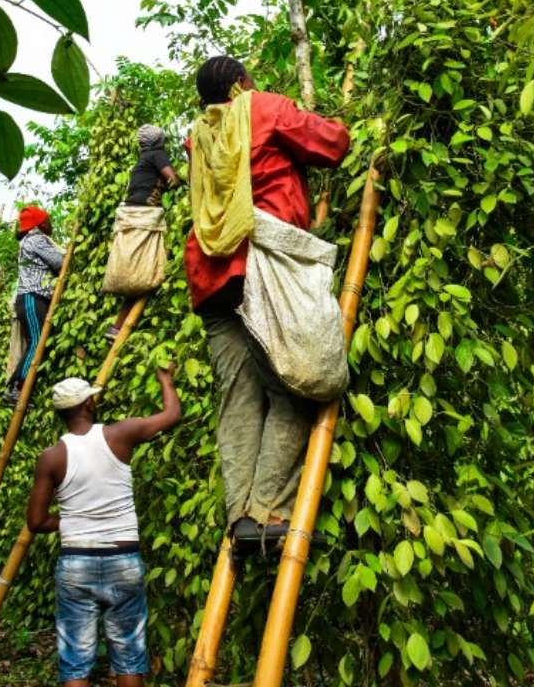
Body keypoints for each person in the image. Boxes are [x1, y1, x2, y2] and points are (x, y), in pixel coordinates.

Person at [184, 56, 350, 546]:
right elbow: (332, 143)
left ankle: (241, 518)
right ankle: (271, 513)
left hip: (210, 278)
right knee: (296, 389)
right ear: (239, 84)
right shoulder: (262, 109)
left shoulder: (199, 137)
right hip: (261, 266)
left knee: (237, 397)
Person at [25, 368, 182, 687]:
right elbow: (171, 415)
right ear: (88, 405)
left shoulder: (51, 458)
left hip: (76, 563)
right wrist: (166, 380)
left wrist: (72, 521)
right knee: (129, 658)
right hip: (122, 559)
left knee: (75, 664)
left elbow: (37, 522)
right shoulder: (120, 434)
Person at [101, 125, 181, 339]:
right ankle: (118, 326)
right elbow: (172, 179)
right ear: (158, 141)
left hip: (130, 215)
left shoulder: (141, 161)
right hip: (143, 218)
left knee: (137, 273)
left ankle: (117, 327)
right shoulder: (157, 155)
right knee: (147, 272)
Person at [4, 204, 66, 406]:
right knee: (37, 342)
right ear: (39, 224)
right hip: (32, 297)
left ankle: (18, 387)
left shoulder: (29, 241)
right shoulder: (36, 239)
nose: (51, 225)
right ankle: (16, 388)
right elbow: (59, 262)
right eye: (48, 221)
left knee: (38, 342)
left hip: (34, 298)